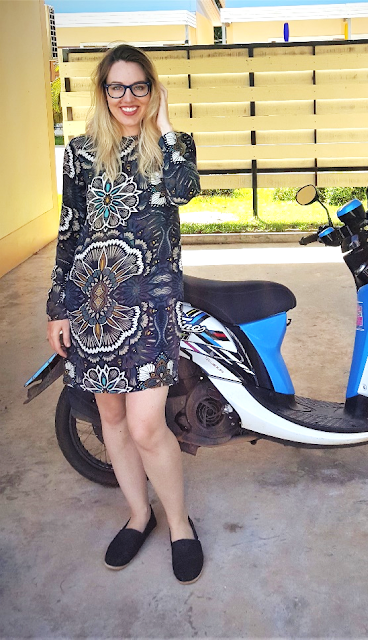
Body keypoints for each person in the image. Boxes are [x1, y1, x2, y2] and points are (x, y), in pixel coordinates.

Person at [46, 44, 202, 584]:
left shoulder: (172, 148)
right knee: (110, 419)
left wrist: (165, 126)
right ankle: (139, 515)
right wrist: (58, 306)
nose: (128, 97)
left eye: (139, 86)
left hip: (151, 306)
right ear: (103, 92)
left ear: (153, 90)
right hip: (94, 305)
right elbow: (70, 231)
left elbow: (185, 192)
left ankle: (179, 525)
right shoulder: (81, 153)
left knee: (145, 425)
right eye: (117, 87)